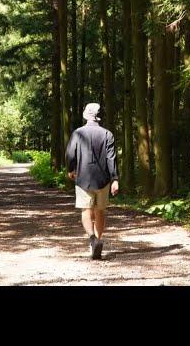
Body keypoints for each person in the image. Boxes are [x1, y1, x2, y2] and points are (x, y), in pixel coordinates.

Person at [65, 103, 119, 260]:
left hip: (83, 178)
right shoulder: (107, 134)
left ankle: (92, 240)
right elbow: (111, 158)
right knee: (100, 211)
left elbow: (70, 154)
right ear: (98, 116)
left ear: (85, 115)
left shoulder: (78, 133)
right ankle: (98, 239)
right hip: (103, 180)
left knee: (85, 210)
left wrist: (71, 169)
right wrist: (115, 179)